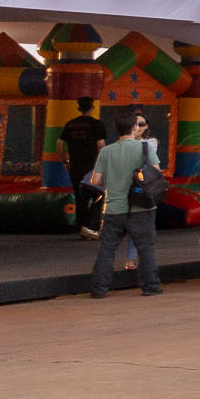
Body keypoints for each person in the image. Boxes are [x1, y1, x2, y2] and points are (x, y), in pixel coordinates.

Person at [87, 114, 160, 298]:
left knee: (107, 249)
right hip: (141, 208)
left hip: (113, 208)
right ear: (135, 128)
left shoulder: (107, 151)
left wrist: (113, 179)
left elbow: (95, 180)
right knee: (145, 248)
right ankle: (150, 286)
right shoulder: (146, 148)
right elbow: (158, 175)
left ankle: (99, 288)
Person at [65, 96, 105, 241]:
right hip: (91, 166)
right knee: (99, 195)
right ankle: (89, 226)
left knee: (80, 196)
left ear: (78, 108)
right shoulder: (97, 124)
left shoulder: (70, 124)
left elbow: (59, 143)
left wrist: (66, 160)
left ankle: (81, 226)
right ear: (93, 107)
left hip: (75, 165)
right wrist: (98, 164)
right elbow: (100, 146)